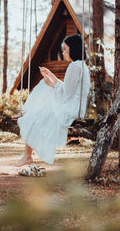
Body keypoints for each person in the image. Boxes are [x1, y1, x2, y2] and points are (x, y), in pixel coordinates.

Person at [15, 35, 90, 166]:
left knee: (33, 114)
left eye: (65, 49)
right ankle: (26, 112)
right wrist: (51, 76)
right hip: (77, 106)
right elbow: (69, 89)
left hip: (71, 108)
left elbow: (67, 94)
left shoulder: (74, 66)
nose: (63, 52)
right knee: (44, 86)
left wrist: (51, 83)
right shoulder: (82, 66)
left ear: (72, 49)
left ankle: (27, 155)